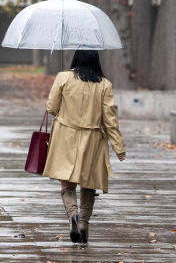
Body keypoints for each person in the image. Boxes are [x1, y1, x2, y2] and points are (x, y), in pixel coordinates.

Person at [42, 49, 126, 244]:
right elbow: (110, 119)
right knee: (89, 184)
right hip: (93, 139)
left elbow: (51, 108)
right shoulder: (105, 84)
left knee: (67, 183)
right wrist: (118, 147)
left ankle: (72, 216)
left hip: (65, 136)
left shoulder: (63, 77)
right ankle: (84, 225)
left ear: (76, 58)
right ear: (96, 60)